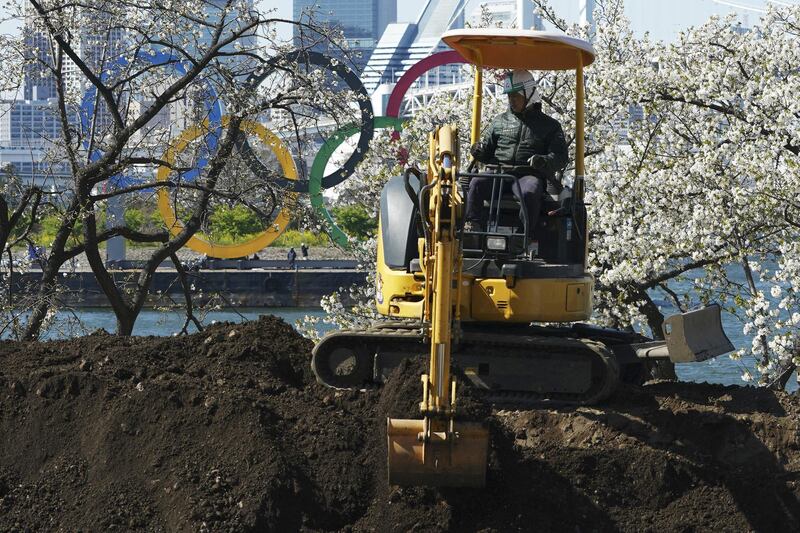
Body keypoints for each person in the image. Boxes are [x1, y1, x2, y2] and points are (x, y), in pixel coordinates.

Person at [464, 69, 569, 234]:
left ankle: (522, 236)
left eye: (515, 96)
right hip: (499, 173)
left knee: (530, 192)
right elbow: (487, 153)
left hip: (527, 175)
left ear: (529, 94)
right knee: (476, 183)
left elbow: (561, 157)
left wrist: (544, 160)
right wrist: (478, 151)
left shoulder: (550, 126)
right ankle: (472, 227)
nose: (511, 100)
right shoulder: (499, 122)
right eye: (509, 96)